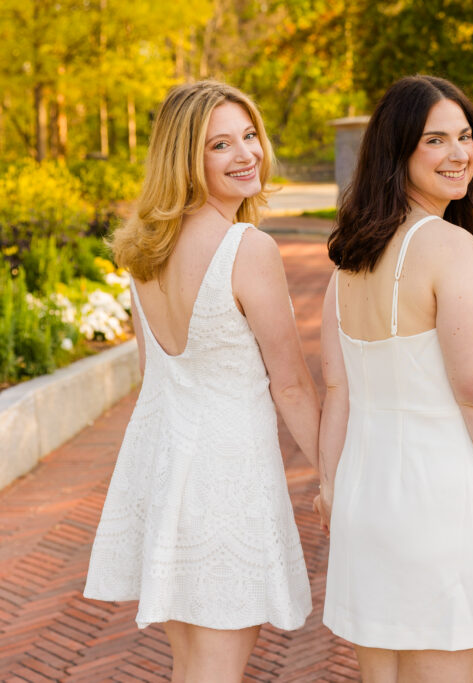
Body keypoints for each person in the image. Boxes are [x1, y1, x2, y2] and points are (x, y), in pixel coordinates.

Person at [84, 80, 320, 681]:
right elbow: (290, 385)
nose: (246, 155)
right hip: (226, 477)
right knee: (213, 669)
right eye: (221, 145)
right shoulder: (248, 247)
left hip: (162, 466)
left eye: (249, 136)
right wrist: (334, 472)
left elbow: (151, 376)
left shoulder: (144, 250)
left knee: (191, 664)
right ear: (187, 158)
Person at [317, 75, 473, 683]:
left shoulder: (349, 260)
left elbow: (338, 391)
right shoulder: (447, 246)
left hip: (366, 496)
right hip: (440, 500)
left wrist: (330, 483)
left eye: (464, 136)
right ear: (398, 153)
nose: (459, 153)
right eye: (435, 140)